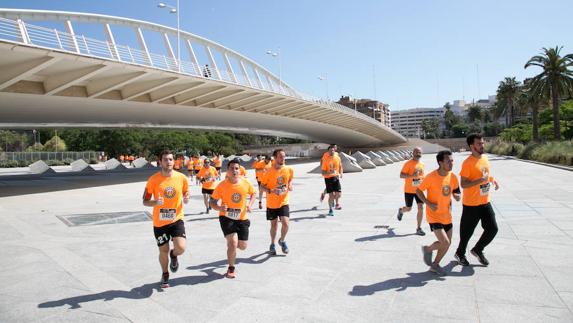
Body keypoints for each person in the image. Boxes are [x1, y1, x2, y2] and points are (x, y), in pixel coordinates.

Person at [142, 150, 190, 288]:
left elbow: (186, 191)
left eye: (170, 159)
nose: (168, 162)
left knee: (181, 247)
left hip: (176, 219)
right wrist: (155, 202)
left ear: (174, 161)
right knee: (162, 250)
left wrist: (186, 197)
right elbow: (145, 201)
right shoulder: (153, 179)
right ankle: (165, 274)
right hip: (159, 222)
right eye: (165, 159)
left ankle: (174, 255)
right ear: (160, 162)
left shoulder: (181, 178)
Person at [454, 134, 500, 266]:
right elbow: (463, 184)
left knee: (493, 229)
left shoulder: (484, 158)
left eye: (483, 143)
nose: (482, 146)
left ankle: (478, 249)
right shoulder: (468, 163)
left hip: (485, 202)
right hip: (471, 204)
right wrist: (479, 180)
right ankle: (460, 253)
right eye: (479, 144)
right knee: (467, 233)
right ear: (472, 146)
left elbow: (485, 174)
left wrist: (492, 180)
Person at [210, 159, 256, 279]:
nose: (234, 171)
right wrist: (219, 207)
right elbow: (212, 202)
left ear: (239, 170)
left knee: (242, 246)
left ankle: (232, 245)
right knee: (233, 242)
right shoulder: (222, 185)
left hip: (242, 218)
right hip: (226, 217)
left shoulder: (245, 183)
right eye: (232, 168)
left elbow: (253, 193)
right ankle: (231, 268)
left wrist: (250, 205)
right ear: (228, 171)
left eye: (237, 168)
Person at [416, 150, 460, 276]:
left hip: (447, 215)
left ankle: (434, 264)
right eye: (448, 161)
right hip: (434, 215)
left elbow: (456, 190)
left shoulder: (453, 177)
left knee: (447, 244)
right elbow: (418, 191)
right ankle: (429, 250)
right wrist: (428, 203)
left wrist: (457, 195)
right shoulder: (431, 177)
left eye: (452, 161)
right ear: (440, 162)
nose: (451, 163)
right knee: (445, 242)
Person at [260, 149, 294, 256]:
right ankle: (272, 244)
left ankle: (282, 241)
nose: (283, 158)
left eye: (284, 156)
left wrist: (290, 184)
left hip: (283, 201)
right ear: (275, 158)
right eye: (280, 157)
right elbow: (261, 186)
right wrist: (271, 191)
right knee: (274, 226)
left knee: (286, 223)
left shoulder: (288, 169)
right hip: (272, 203)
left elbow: (290, 179)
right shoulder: (268, 171)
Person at [397, 147, 426, 236]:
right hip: (409, 190)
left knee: (420, 207)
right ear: (413, 153)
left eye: (420, 152)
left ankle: (418, 228)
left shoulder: (422, 164)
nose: (418, 154)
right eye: (417, 152)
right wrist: (412, 176)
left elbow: (421, 177)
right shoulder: (408, 164)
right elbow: (401, 175)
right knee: (408, 209)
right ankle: (401, 211)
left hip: (419, 190)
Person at [321, 144, 343, 216]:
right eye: (330, 150)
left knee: (338, 194)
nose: (332, 151)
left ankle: (334, 201)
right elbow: (323, 172)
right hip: (328, 178)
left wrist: (341, 173)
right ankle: (330, 210)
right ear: (328, 151)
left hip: (336, 177)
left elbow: (340, 165)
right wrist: (329, 172)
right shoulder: (325, 158)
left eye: (333, 150)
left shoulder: (337, 157)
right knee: (331, 195)